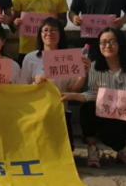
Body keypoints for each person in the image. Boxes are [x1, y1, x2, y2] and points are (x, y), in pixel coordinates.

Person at [61, 28, 126, 167]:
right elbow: (94, 94)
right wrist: (74, 96)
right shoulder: (94, 67)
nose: (107, 46)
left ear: (120, 44)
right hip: (105, 114)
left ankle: (123, 147)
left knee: (109, 136)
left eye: (112, 42)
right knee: (87, 108)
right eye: (103, 42)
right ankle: (92, 149)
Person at [20, 18, 90, 151]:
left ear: (61, 34)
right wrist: (35, 84)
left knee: (66, 151)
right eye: (45, 30)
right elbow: (22, 88)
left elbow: (73, 89)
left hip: (60, 110)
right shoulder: (30, 58)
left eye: (54, 30)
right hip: (36, 111)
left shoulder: (69, 58)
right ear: (40, 34)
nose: (49, 34)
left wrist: (82, 75)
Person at [13, 0, 69, 65]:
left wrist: (51, 24)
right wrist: (16, 22)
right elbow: (14, 21)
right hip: (26, 47)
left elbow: (63, 21)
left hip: (51, 46)